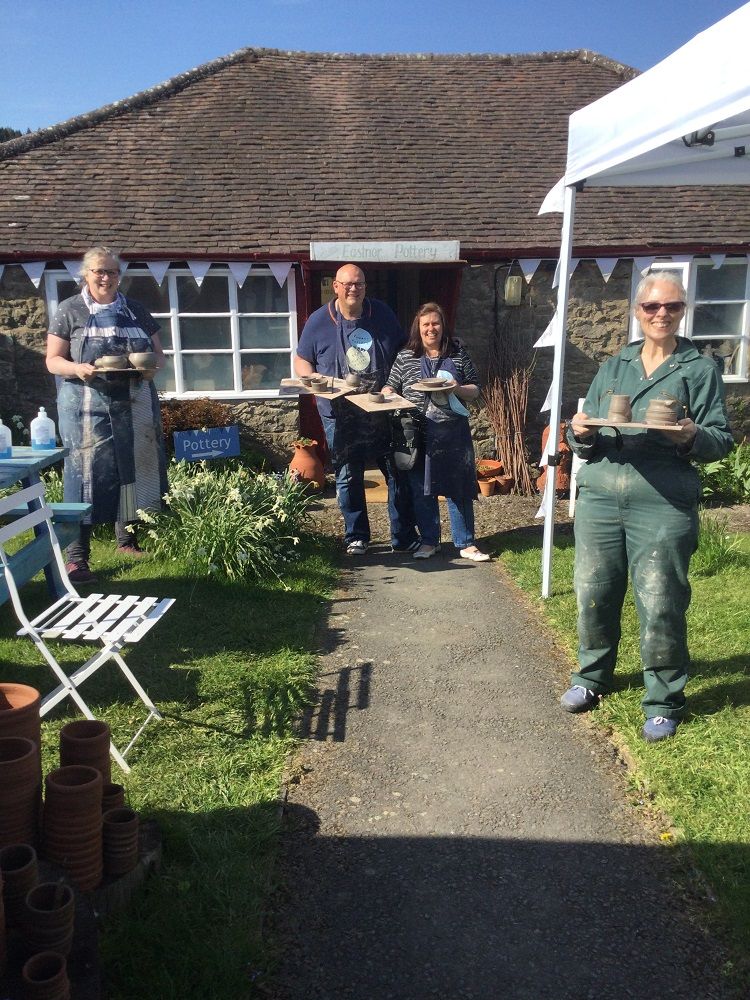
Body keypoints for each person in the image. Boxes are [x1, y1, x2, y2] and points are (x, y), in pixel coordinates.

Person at [560, 271, 733, 742]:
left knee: (660, 602)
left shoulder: (698, 368)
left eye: (672, 307)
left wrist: (692, 435)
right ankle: (592, 677)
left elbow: (721, 440)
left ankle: (662, 700)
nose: (661, 314)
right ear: (637, 312)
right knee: (592, 592)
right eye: (652, 307)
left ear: (682, 311)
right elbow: (583, 439)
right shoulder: (616, 364)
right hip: (600, 496)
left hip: (661, 501)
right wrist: (579, 432)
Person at [46, 246, 168, 583]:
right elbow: (52, 360)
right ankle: (77, 557)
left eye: (112, 272)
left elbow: (159, 355)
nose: (106, 277)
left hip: (133, 398)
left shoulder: (135, 310)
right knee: (85, 474)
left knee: (132, 466)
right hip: (85, 403)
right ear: (85, 275)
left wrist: (151, 368)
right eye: (99, 271)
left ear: (119, 276)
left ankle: (127, 539)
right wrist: (77, 367)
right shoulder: (69, 311)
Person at [294, 264, 418, 555]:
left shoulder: (383, 314)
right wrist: (312, 378)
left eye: (359, 284)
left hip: (382, 408)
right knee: (349, 475)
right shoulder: (318, 321)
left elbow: (402, 353)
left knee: (395, 472)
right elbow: (301, 359)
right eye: (347, 284)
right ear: (336, 286)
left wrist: (394, 385)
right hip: (339, 412)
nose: (353, 289)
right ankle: (356, 536)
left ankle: (402, 536)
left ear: (365, 287)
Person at [383, 302, 489, 562]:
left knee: (458, 488)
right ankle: (430, 541)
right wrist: (387, 397)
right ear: (417, 329)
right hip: (417, 432)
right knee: (422, 488)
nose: (431, 329)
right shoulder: (406, 356)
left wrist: (456, 388)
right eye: (425, 324)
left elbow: (475, 390)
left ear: (443, 326)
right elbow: (389, 387)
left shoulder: (457, 354)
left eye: (436, 323)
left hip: (453, 431)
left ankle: (465, 542)